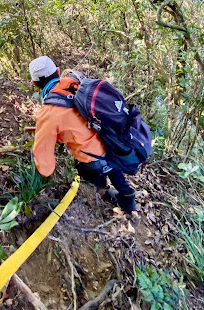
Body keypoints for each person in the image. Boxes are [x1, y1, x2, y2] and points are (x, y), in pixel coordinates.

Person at [29, 56, 137, 214]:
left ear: (35, 84)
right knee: (114, 169)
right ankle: (128, 200)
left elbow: (44, 161)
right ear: (58, 71)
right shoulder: (75, 82)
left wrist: (43, 171)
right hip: (110, 140)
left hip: (91, 155)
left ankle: (98, 190)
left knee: (89, 171)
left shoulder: (48, 113)